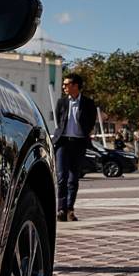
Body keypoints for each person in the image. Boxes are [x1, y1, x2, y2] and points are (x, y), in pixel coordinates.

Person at [52, 73, 97, 222]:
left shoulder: (88, 103)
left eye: (67, 84)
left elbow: (90, 122)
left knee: (73, 178)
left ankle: (70, 209)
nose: (64, 87)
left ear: (76, 86)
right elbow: (59, 121)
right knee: (61, 177)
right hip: (63, 143)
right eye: (64, 84)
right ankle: (61, 209)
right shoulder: (61, 102)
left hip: (78, 143)